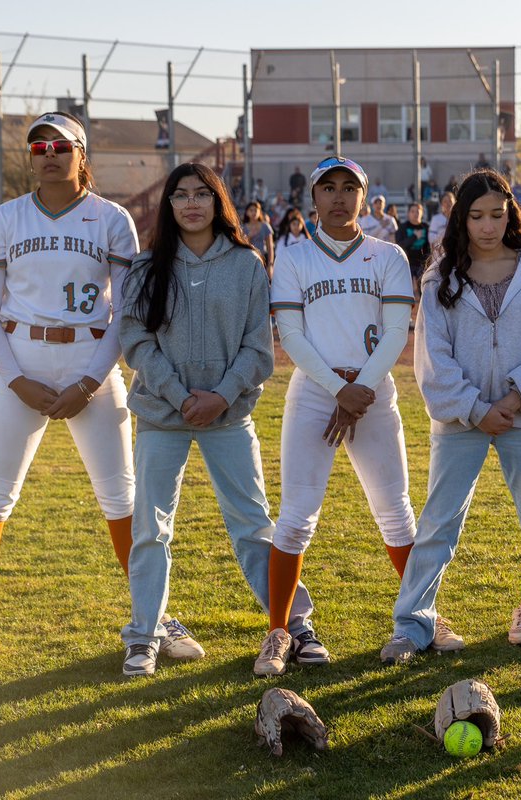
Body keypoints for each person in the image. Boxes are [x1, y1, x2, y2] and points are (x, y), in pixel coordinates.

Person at [0, 111, 140, 676]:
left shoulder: (112, 218)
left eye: (61, 145)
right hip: (21, 359)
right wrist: (16, 379)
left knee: (122, 499)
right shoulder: (6, 218)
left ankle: (149, 619)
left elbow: (126, 313)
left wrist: (89, 381)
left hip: (92, 362)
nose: (48, 153)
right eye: (38, 147)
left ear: (82, 154)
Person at [117, 162, 317, 677]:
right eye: (180, 195)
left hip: (228, 417)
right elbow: (136, 342)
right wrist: (182, 395)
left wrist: (220, 396)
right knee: (151, 530)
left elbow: (259, 349)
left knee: (253, 526)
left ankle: (293, 625)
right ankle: (144, 636)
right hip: (163, 416)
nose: (191, 204)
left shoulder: (247, 264)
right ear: (169, 206)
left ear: (218, 201)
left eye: (202, 194)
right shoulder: (145, 268)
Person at [381, 169, 521, 664]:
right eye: (476, 216)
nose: (488, 225)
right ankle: (412, 625)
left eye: (497, 214)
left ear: (511, 214)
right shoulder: (439, 277)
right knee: (438, 525)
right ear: (460, 219)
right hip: (460, 422)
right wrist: (476, 409)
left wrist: (513, 401)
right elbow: (432, 358)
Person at [256, 155, 429, 677]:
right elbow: (291, 336)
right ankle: (278, 631)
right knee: (295, 519)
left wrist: (360, 388)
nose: (338, 197)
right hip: (315, 391)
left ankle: (422, 616)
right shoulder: (294, 258)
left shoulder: (389, 255)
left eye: (347, 188)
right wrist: (339, 389)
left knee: (395, 510)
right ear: (313, 199)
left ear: (364, 194)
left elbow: (398, 331)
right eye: (327, 188)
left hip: (373, 391)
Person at [395, 202, 430, 301]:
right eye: (413, 211)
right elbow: (400, 245)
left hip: (422, 264)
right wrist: (414, 236)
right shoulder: (403, 227)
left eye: (418, 211)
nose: (416, 214)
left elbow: (429, 247)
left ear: (422, 213)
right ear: (408, 213)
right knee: (406, 291)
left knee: (423, 290)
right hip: (407, 263)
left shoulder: (426, 227)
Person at [242, 201, 274, 276]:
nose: (253, 212)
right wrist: (249, 237)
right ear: (247, 212)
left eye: (256, 210)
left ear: (259, 212)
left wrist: (270, 265)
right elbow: (242, 247)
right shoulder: (242, 228)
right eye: (251, 210)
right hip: (248, 261)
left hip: (263, 260)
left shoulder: (265, 226)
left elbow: (270, 247)